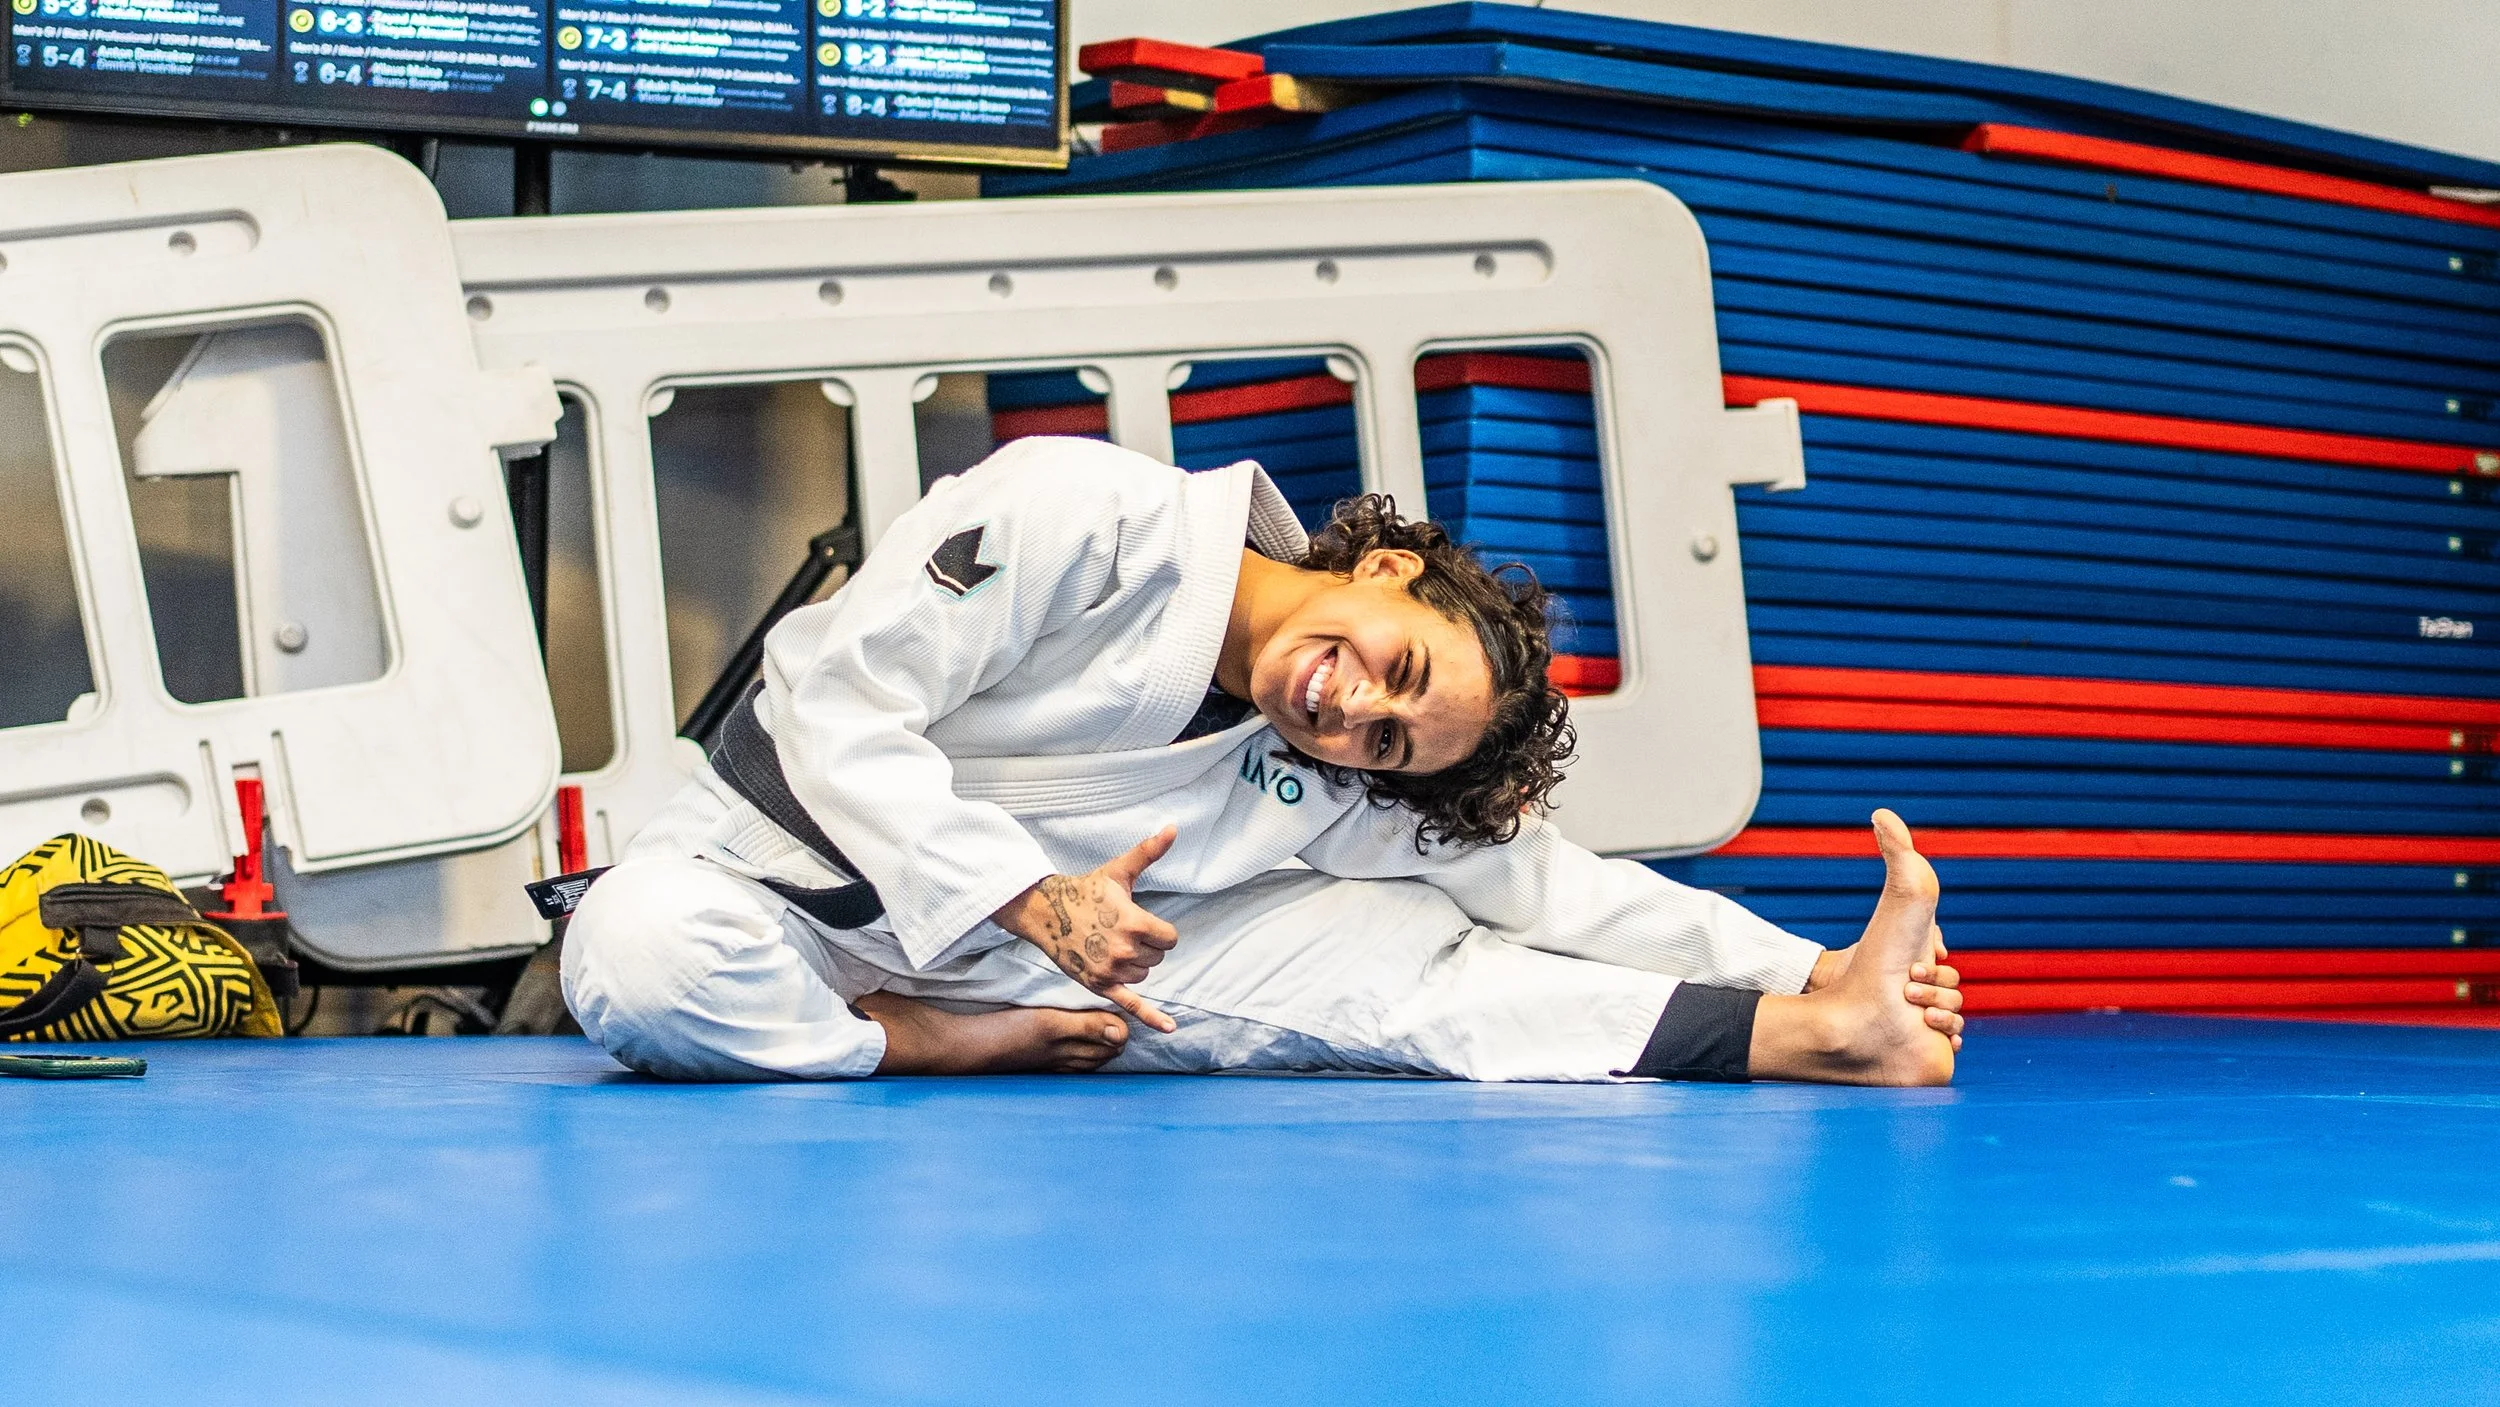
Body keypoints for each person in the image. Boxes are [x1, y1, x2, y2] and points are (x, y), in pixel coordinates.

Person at [563, 436, 1962, 1085]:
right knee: (634, 953)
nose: (1352, 711)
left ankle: (1826, 1039)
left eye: (1390, 738)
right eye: (1395, 667)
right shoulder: (1084, 514)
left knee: (1415, 976)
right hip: (794, 901)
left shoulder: (1332, 762)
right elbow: (838, 711)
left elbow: (1543, 883)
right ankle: (914, 1043)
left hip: (1069, 962)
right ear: (1389, 569)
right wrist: (1029, 901)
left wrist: (1805, 964)